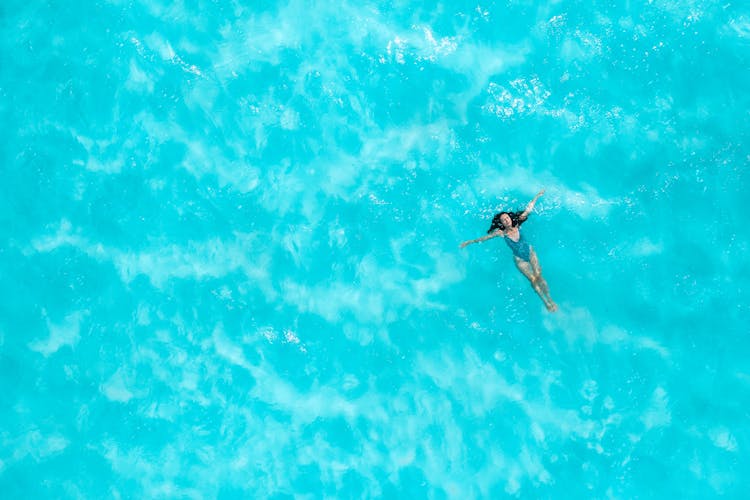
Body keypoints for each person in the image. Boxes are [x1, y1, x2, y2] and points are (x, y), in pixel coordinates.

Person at [460, 189, 557, 312]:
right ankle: (546, 303)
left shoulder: (518, 224)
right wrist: (469, 242)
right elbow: (484, 238)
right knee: (533, 280)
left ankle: (550, 299)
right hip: (520, 259)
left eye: (507, 218)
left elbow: (528, 209)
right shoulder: (501, 233)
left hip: (530, 252)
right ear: (501, 223)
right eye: (503, 220)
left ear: (510, 218)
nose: (506, 220)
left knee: (539, 276)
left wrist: (537, 196)